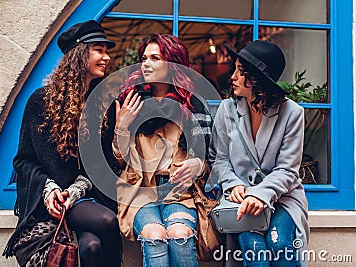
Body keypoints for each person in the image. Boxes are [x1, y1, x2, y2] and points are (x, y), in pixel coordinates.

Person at [3, 20, 122, 267]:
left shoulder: (103, 104)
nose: (106, 57)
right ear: (79, 55)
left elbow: (104, 163)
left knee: (91, 246)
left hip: (87, 195)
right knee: (109, 222)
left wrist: (79, 187)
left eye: (106, 50)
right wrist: (48, 189)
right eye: (99, 50)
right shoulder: (41, 102)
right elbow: (23, 160)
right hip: (50, 201)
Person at [102, 34, 213, 267]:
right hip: (139, 192)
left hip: (180, 193)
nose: (146, 63)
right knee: (155, 236)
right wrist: (122, 127)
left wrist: (198, 164)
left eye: (155, 58)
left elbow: (208, 159)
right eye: (144, 58)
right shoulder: (131, 100)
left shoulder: (194, 106)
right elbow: (121, 162)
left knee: (179, 235)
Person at [209, 40, 309, 266]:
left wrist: (260, 195)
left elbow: (288, 169)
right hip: (239, 198)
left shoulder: (292, 113)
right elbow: (218, 159)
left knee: (280, 245)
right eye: (234, 69)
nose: (232, 77)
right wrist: (232, 184)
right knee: (255, 250)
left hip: (282, 198)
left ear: (257, 79)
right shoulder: (227, 109)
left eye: (240, 72)